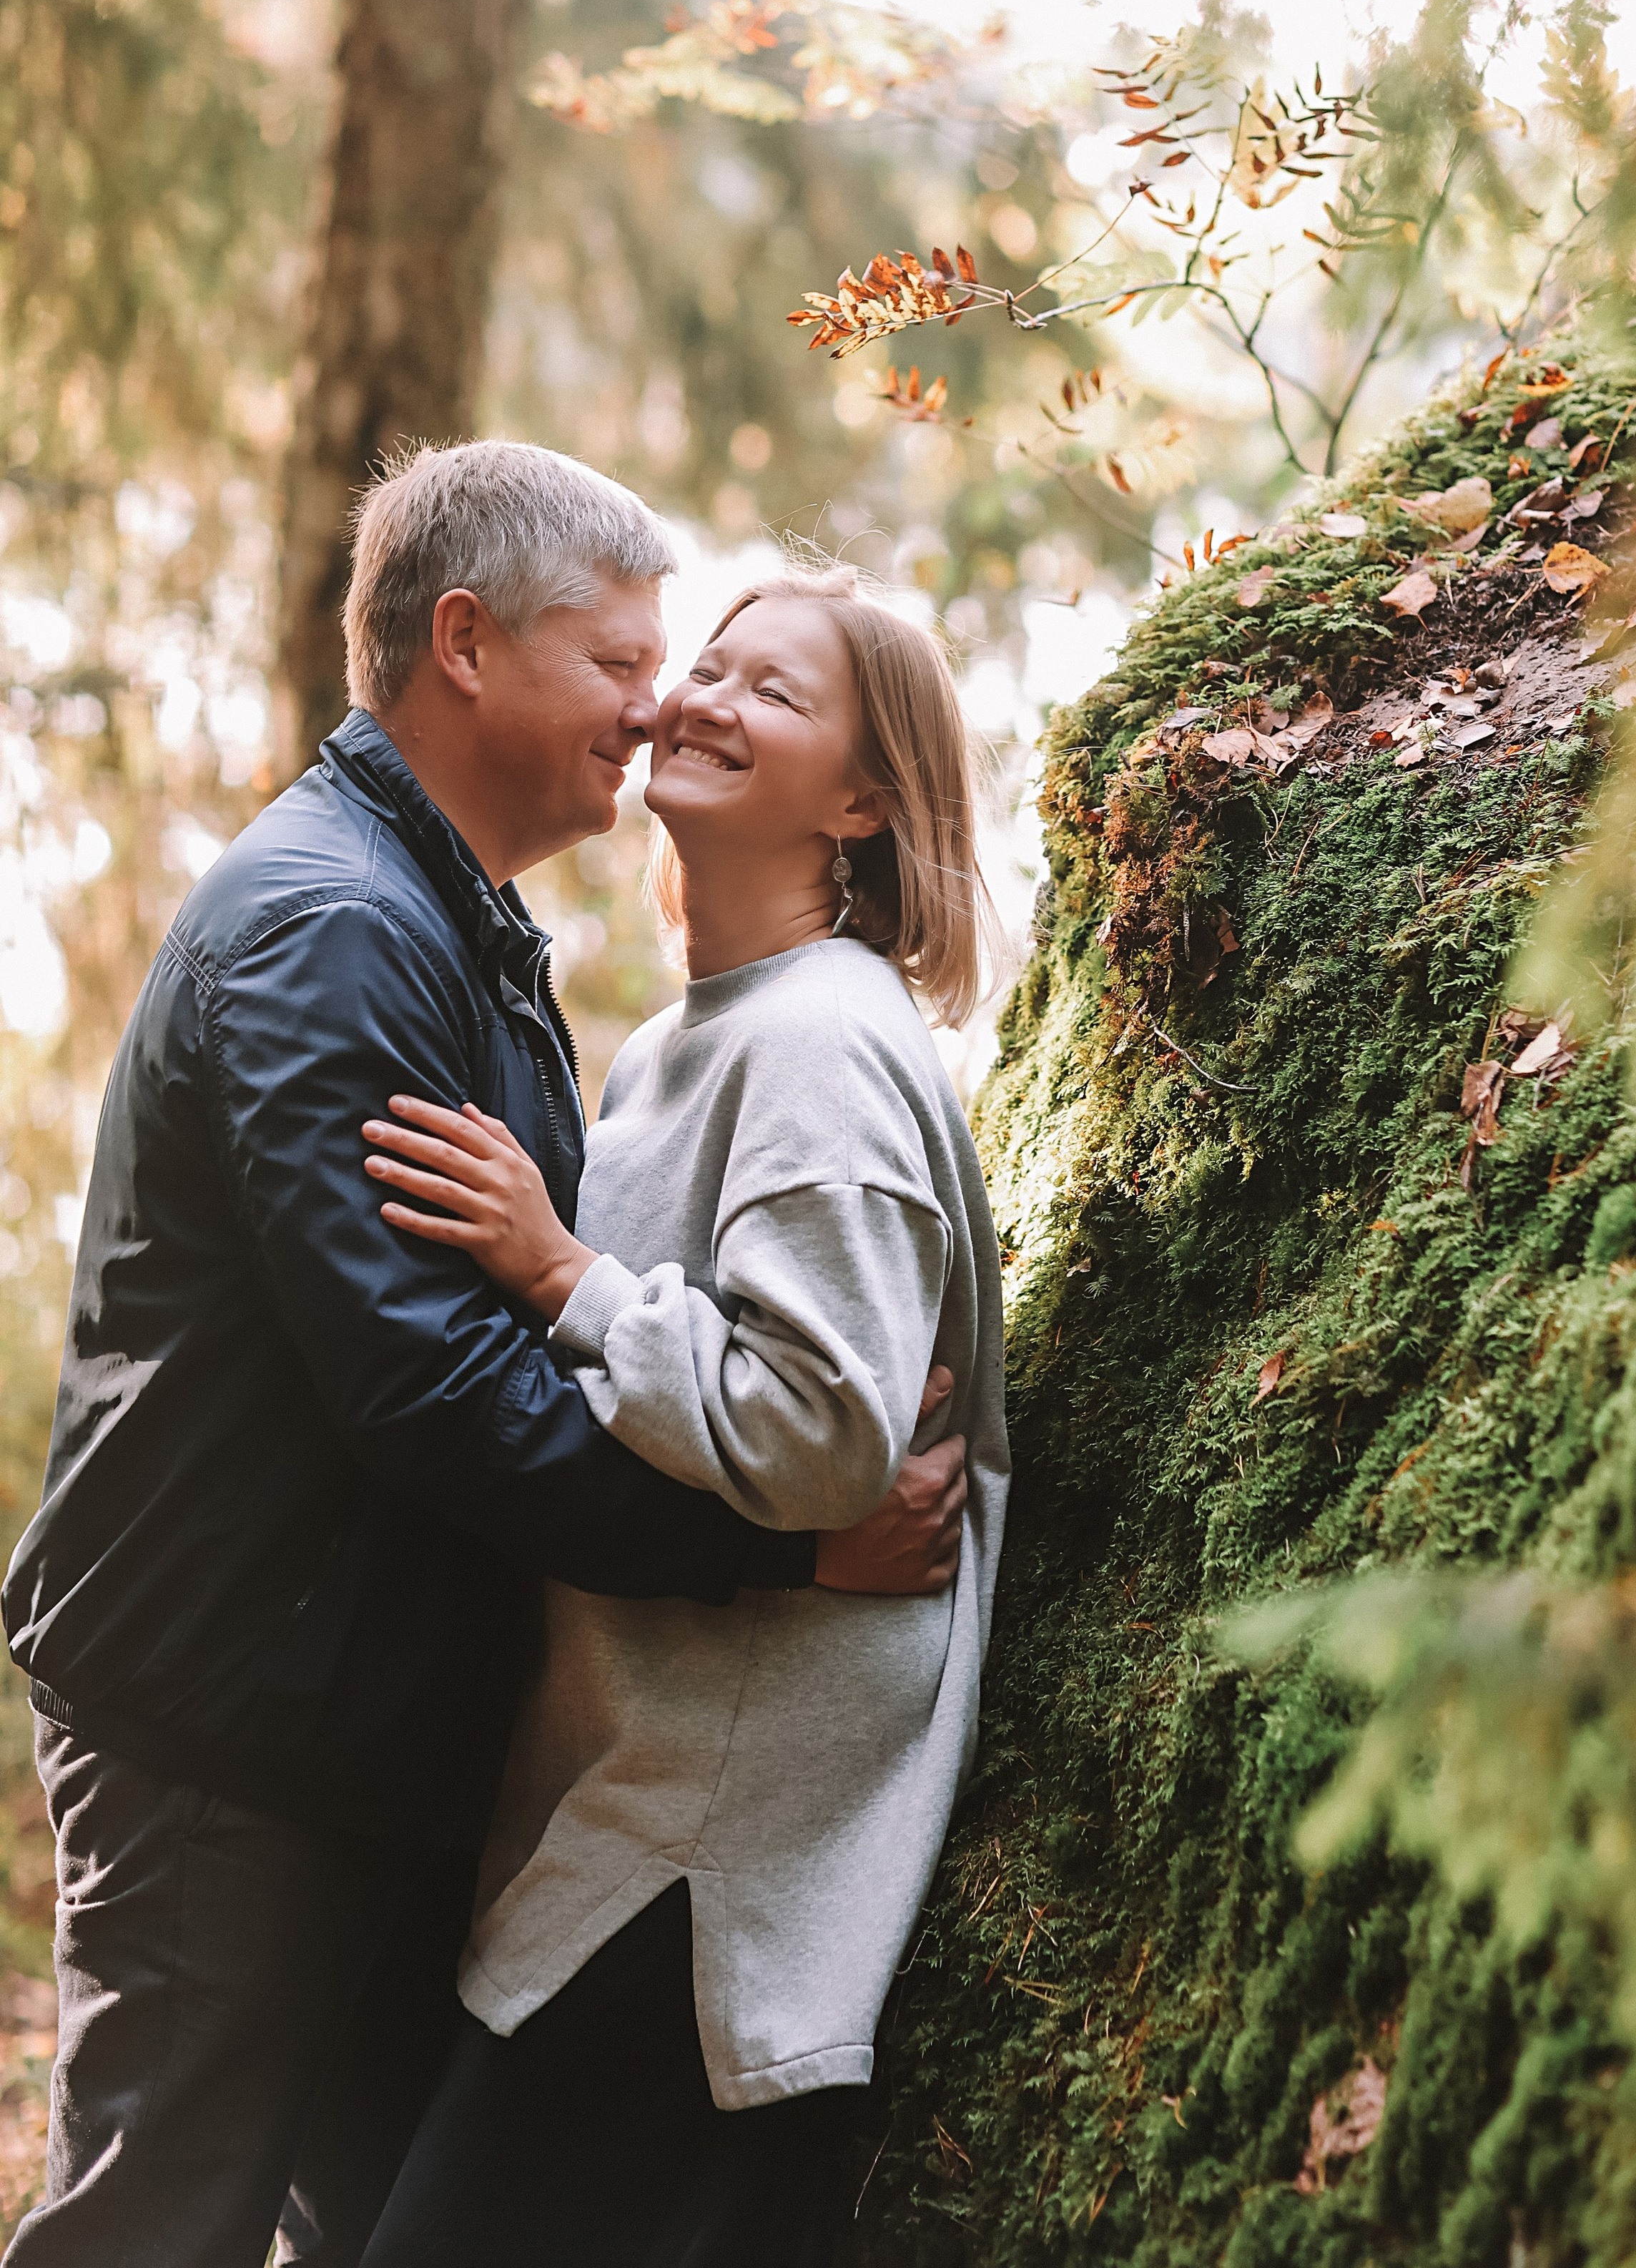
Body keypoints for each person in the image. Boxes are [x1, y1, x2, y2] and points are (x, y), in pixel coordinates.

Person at [1, 448, 965, 2268]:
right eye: (619, 661)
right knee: (156, 2228)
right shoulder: (334, 933)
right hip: (238, 1739)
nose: (653, 699)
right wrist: (780, 1555)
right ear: (464, 643)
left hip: (349, 1738)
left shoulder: (445, 918)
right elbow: (436, 1388)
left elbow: (557, 1331)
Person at [353, 566, 1009, 2268]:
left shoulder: (818, 1045)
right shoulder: (678, 1046)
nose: (703, 699)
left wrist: (562, 1275)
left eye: (772, 694)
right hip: (624, 1811)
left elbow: (817, 1437)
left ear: (863, 802)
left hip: (702, 1883)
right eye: (704, 668)